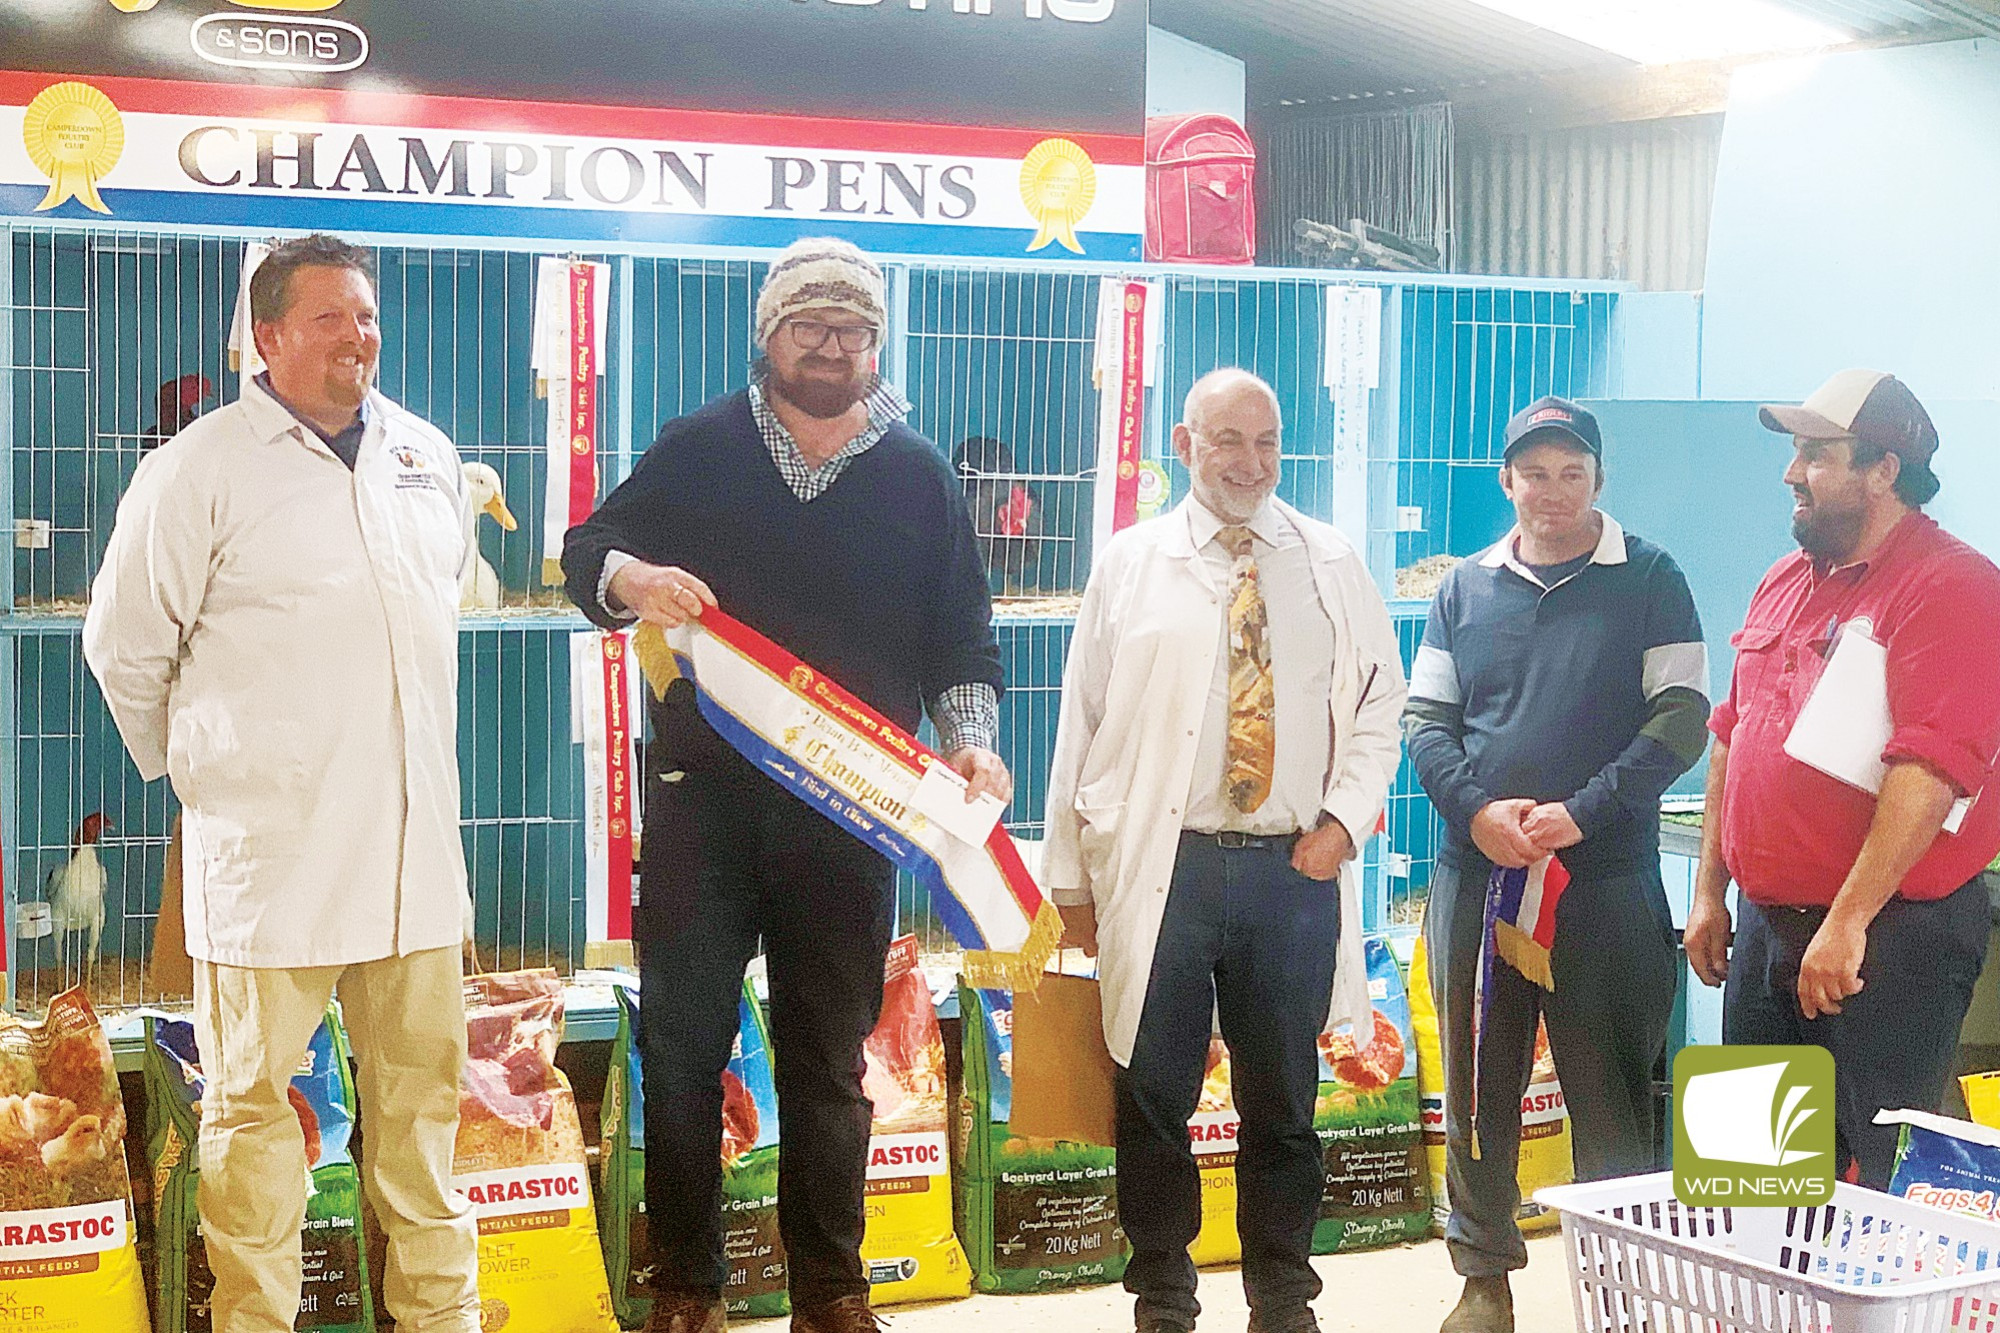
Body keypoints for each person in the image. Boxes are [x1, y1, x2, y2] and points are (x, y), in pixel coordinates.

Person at [560, 237, 1008, 1333]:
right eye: (810, 325)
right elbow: (588, 544)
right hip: (699, 805)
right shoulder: (698, 446)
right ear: (768, 336)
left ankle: (832, 1292)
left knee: (828, 1063)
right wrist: (634, 576)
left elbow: (962, 637)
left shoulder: (920, 473)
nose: (832, 346)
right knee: (680, 1049)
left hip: (850, 816)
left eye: (853, 329)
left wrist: (973, 741)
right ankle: (685, 1290)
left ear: (876, 345)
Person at [84, 233, 480, 1333]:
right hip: (271, 864)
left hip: (411, 870)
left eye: (365, 315)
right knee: (254, 1123)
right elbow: (124, 649)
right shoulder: (197, 470)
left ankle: (442, 1320)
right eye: (328, 318)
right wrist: (217, 770)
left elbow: (435, 603)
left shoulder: (424, 455)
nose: (358, 336)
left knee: (423, 1122)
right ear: (265, 338)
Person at [1043, 368, 1406, 1333]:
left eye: (1267, 441)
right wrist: (1069, 876)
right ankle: (1163, 1294)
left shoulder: (1329, 561)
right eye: (1227, 441)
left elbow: (1381, 703)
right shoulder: (1130, 563)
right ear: (1183, 441)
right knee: (1153, 1094)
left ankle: (1284, 1300)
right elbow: (1079, 723)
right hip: (1167, 870)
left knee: (1283, 1100)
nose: (1250, 463)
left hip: (1292, 868)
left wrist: (1341, 825)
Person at [1404, 396, 1709, 1333]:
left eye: (1571, 473)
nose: (1552, 492)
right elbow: (1425, 720)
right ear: (1508, 483)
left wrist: (1582, 813)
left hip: (1606, 882)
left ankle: (1621, 1284)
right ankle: (1483, 1279)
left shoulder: (1653, 576)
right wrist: (1476, 808)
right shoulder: (1463, 587)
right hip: (1479, 877)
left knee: (1611, 1086)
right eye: (1533, 474)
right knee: (1478, 1081)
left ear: (1598, 481)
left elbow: (1683, 717)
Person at [1685, 370, 2000, 1189]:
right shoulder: (1785, 578)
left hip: (1887, 939)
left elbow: (1931, 770)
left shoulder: (1953, 586)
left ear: (1883, 469)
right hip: (1765, 930)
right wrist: (1711, 894)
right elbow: (1732, 734)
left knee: (1870, 1194)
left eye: (1816, 454)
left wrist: (1849, 920)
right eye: (1796, 452)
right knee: (1749, 1182)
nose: (1792, 473)